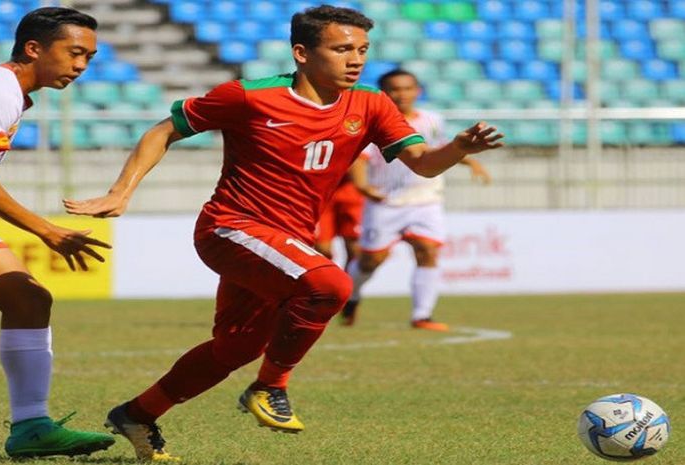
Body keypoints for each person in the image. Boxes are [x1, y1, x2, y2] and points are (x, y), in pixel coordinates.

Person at [64, 5, 503, 461]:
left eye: (362, 50)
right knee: (331, 284)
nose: (356, 59)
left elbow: (422, 163)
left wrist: (456, 149)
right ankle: (269, 386)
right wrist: (121, 191)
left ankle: (138, 413)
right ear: (302, 53)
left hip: (285, 242)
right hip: (230, 227)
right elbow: (164, 130)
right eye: (342, 49)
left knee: (236, 347)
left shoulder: (371, 103)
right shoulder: (249, 97)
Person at [0, 7, 115, 459]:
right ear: (34, 48)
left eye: (90, 58)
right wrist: (47, 231)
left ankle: (31, 426)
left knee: (29, 299)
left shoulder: (10, 94)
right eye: (75, 53)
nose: (81, 66)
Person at [342, 69, 492, 331]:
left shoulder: (433, 120)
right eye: (395, 89)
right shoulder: (375, 121)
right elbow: (360, 157)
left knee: (427, 251)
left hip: (426, 200)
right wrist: (362, 186)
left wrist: (470, 161)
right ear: (383, 94)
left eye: (407, 88)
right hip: (385, 202)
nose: (402, 94)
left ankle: (422, 315)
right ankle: (351, 298)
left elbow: (441, 148)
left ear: (418, 91)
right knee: (371, 261)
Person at [313, 169, 364, 267]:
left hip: (350, 190)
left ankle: (348, 282)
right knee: (323, 251)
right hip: (323, 190)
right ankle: (328, 281)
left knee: (355, 250)